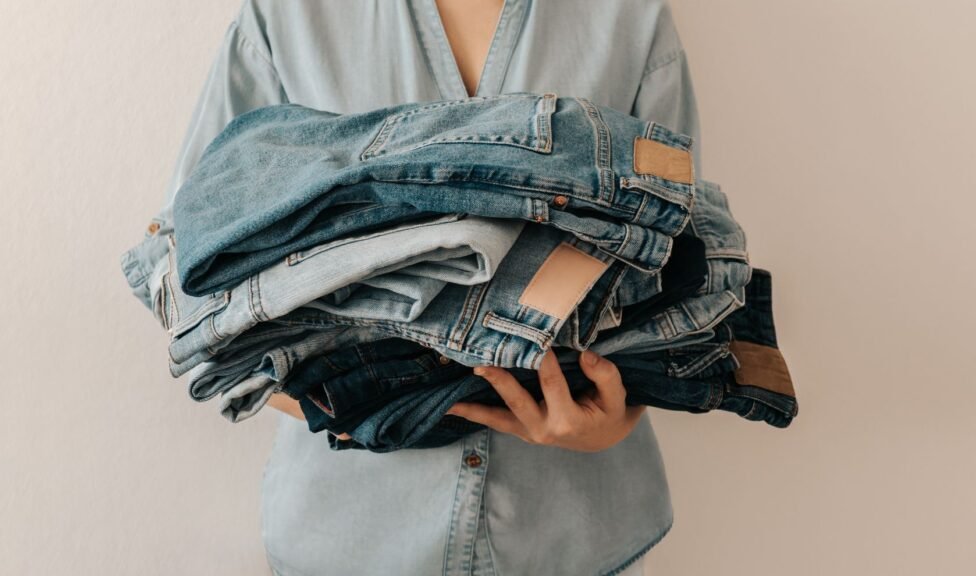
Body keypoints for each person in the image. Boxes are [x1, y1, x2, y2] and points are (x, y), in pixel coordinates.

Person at [149, 1, 702, 574]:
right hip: (354, 536)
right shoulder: (289, 15)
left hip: (572, 533)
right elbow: (189, 268)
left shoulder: (627, 15)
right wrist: (357, 398)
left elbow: (683, 252)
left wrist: (612, 423)